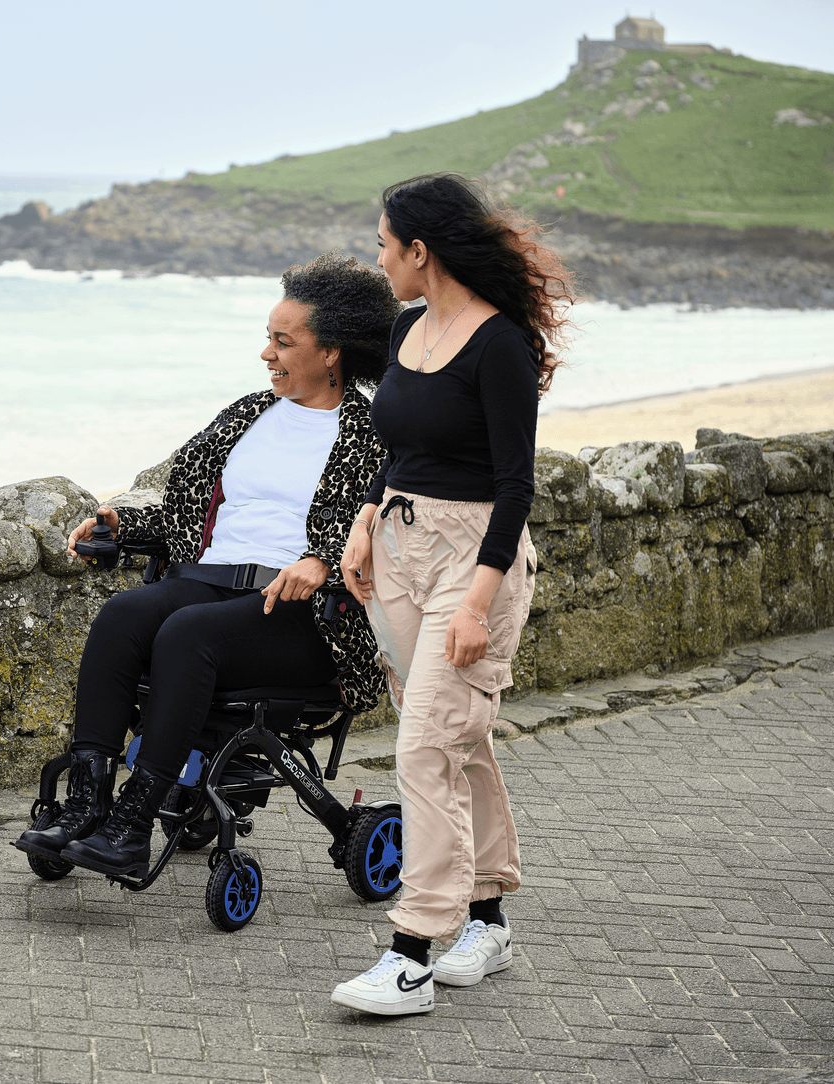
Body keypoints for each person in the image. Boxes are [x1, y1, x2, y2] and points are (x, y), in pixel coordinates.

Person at [14, 253, 402, 881]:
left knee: (186, 634)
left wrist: (324, 563)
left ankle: (133, 828)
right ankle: (87, 806)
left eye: (283, 341)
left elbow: (384, 525)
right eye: (267, 339)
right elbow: (185, 509)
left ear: (331, 353)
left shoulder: (369, 433)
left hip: (300, 615)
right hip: (208, 580)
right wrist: (124, 525)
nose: (266, 354)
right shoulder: (250, 414)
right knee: (124, 614)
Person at [330, 173, 574, 1015]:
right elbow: (393, 447)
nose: (378, 256)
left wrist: (476, 602)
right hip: (399, 549)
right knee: (454, 739)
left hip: (473, 562)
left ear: (419, 250)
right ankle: (490, 918)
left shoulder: (498, 342)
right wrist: (365, 521)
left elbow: (515, 486)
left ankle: (409, 953)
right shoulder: (406, 328)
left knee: (422, 748)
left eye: (382, 243)